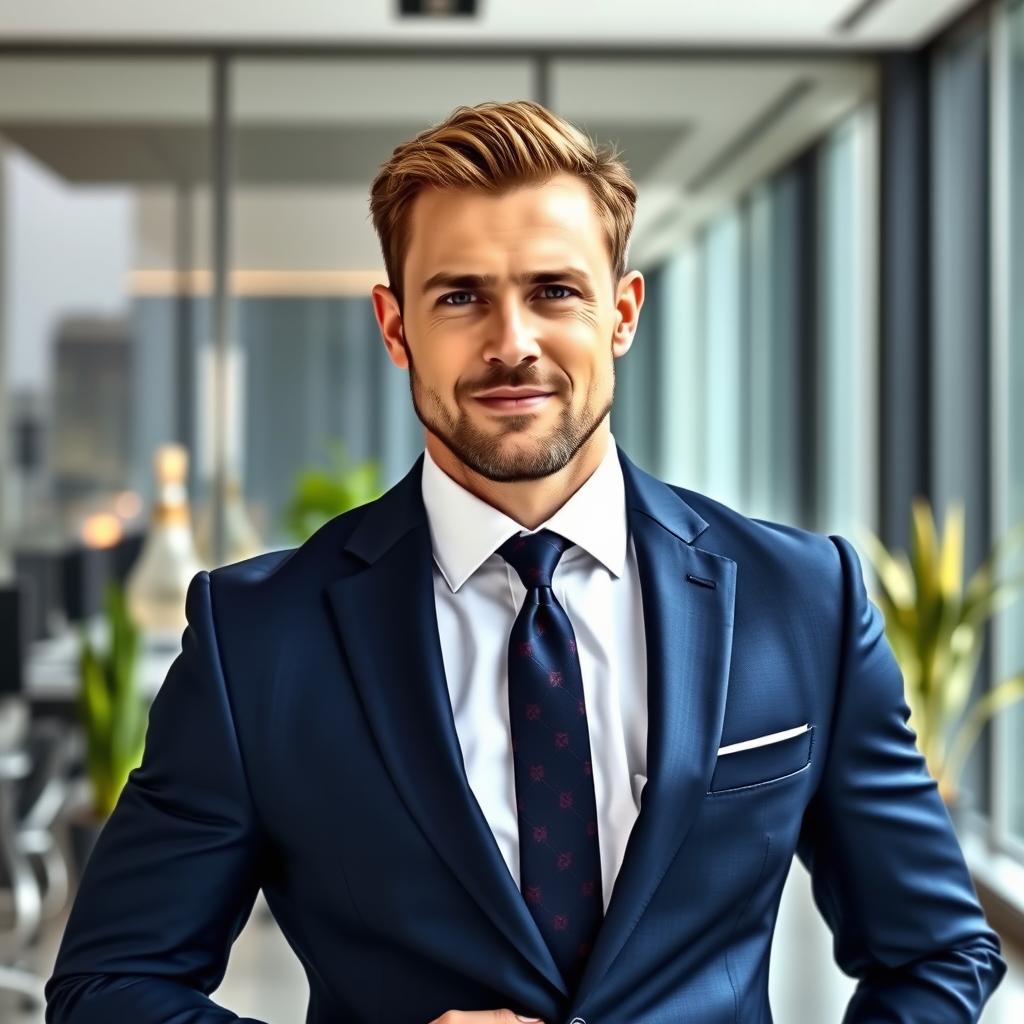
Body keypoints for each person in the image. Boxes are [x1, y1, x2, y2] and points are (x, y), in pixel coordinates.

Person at [45, 99, 1005, 1024]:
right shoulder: (256, 639)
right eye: (460, 296)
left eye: (555, 291)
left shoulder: (806, 604)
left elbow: (936, 951)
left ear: (621, 313)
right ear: (394, 326)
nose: (513, 344)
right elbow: (109, 984)